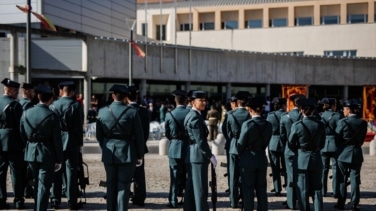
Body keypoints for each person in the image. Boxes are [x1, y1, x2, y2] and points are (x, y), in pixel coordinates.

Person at [96, 84, 144, 211]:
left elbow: (99, 135)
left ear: (112, 96)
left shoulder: (102, 111)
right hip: (127, 151)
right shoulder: (132, 112)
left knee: (111, 184)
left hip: (109, 151)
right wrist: (140, 155)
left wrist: (105, 146)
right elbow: (139, 136)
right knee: (124, 185)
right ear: (125, 97)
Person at [20, 84, 63, 211]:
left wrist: (29, 146)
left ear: (38, 96)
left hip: (31, 153)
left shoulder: (26, 113)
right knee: (44, 186)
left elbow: (22, 134)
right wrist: (59, 159)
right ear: (50, 99)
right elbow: (57, 141)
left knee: (38, 183)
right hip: (46, 154)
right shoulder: (53, 116)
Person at [49, 81, 84, 209]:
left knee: (56, 171)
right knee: (71, 171)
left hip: (56, 140)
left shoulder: (53, 105)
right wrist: (80, 143)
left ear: (61, 91)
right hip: (71, 140)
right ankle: (71, 200)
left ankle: (55, 200)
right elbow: (79, 127)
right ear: (72, 92)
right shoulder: (75, 105)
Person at [288, 98, 326, 211]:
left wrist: (299, 150)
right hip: (316, 157)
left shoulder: (297, 125)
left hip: (302, 159)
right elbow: (323, 143)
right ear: (314, 111)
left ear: (302, 110)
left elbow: (291, 143)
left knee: (303, 188)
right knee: (317, 188)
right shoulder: (320, 125)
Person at [183, 90, 217, 211]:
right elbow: (200, 141)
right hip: (198, 155)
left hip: (193, 153)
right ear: (192, 102)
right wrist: (209, 155)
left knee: (192, 187)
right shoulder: (195, 117)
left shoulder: (193, 115)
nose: (204, 102)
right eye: (200, 100)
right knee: (201, 189)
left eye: (204, 100)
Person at [237, 97, 272, 211]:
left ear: (250, 110)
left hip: (248, 158)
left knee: (248, 189)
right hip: (261, 157)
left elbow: (241, 143)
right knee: (262, 188)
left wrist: (240, 153)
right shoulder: (268, 125)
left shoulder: (248, 124)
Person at [334, 99, 367, 211]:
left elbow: (337, 138)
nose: (343, 111)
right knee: (355, 179)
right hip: (356, 152)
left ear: (348, 110)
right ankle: (354, 203)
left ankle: (341, 202)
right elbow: (362, 140)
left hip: (343, 152)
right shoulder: (363, 122)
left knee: (341, 179)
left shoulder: (343, 122)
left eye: (344, 109)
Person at [0, 78, 25, 209]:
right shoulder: (15, 105)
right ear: (8, 90)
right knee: (16, 172)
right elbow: (21, 126)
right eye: (15, 90)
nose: (17, 93)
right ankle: (18, 200)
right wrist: (23, 142)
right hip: (13, 141)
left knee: (0, 172)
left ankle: (0, 199)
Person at [165, 89, 190, 208]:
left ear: (175, 100)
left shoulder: (169, 114)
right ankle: (189, 200)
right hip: (188, 147)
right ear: (186, 100)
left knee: (174, 176)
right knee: (188, 176)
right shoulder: (190, 112)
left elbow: (167, 133)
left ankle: (173, 200)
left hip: (174, 147)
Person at [125, 86, 150, 207]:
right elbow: (146, 132)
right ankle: (140, 198)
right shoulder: (144, 111)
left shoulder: (124, 110)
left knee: (125, 173)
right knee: (140, 174)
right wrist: (141, 144)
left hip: (127, 146)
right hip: (139, 146)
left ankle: (125, 194)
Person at [226, 91, 251, 208]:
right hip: (247, 147)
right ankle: (245, 199)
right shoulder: (250, 115)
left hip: (234, 146)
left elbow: (227, 132)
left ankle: (233, 201)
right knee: (246, 175)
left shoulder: (230, 114)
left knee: (233, 176)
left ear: (237, 102)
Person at [280, 93, 305, 209]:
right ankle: (301, 201)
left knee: (290, 177)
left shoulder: (285, 117)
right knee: (301, 177)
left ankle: (291, 202)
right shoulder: (305, 117)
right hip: (303, 151)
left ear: (291, 103)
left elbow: (282, 136)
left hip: (289, 150)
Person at [320, 98, 343, 198]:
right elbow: (340, 131)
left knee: (323, 169)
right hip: (335, 143)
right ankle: (336, 191)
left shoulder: (320, 115)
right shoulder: (337, 116)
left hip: (323, 143)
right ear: (333, 105)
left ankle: (322, 191)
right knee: (335, 169)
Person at [266, 97, 287, 196]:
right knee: (286, 167)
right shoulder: (287, 115)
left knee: (275, 167)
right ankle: (288, 187)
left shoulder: (270, 116)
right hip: (285, 143)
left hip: (273, 142)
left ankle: (277, 189)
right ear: (283, 105)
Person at [19, 82, 36, 199]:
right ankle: (28, 190)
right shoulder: (28, 106)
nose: (34, 94)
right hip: (27, 141)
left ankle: (24, 189)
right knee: (28, 170)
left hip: (18, 141)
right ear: (27, 91)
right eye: (32, 91)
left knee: (21, 168)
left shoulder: (18, 103)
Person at [222, 96, 237, 193]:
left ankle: (232, 188)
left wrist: (230, 138)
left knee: (231, 168)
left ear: (235, 103)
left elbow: (224, 129)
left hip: (231, 143)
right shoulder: (248, 113)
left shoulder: (229, 114)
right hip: (245, 146)